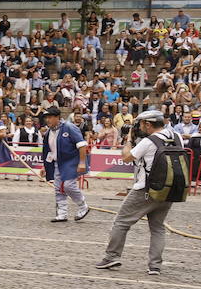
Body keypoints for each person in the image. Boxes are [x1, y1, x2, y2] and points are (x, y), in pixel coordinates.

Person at [97, 110, 180, 275]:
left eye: (141, 124)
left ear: (148, 124)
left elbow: (126, 157)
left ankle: (111, 256)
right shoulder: (176, 136)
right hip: (169, 189)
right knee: (157, 228)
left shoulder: (149, 141)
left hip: (145, 189)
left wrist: (129, 140)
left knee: (121, 222)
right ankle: (155, 265)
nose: (139, 127)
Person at [40, 106, 90, 223]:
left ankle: (83, 205)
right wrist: (45, 166)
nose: (47, 120)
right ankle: (62, 213)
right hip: (57, 162)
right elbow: (49, 151)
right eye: (46, 117)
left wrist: (82, 162)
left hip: (71, 161)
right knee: (58, 188)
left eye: (50, 117)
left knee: (68, 186)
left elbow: (82, 145)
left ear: (57, 117)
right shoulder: (48, 133)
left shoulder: (69, 127)